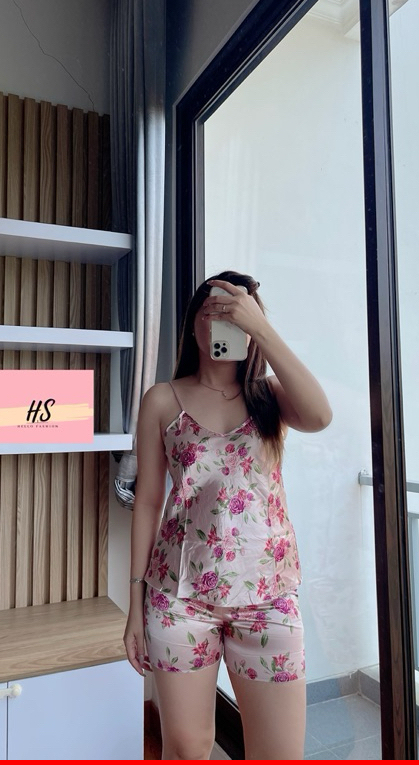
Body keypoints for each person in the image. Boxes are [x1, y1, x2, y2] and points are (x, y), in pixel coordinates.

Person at [123, 270, 332, 760]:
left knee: (279, 754)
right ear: (193, 322)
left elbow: (320, 416)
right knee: (187, 748)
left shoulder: (270, 396)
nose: (221, 321)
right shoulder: (162, 399)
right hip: (179, 598)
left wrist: (261, 329)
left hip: (268, 597)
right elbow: (148, 500)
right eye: (212, 311)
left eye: (234, 314)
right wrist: (135, 604)